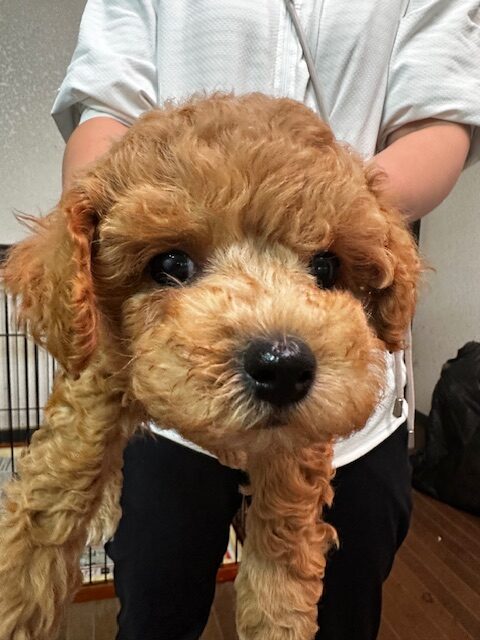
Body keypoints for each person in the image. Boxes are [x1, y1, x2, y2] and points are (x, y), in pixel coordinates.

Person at [51, 2, 480, 639]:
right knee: (155, 604)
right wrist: (129, 215)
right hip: (169, 406)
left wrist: (328, 207)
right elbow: (105, 105)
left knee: (338, 609)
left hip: (343, 411)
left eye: (321, 267)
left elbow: (440, 121)